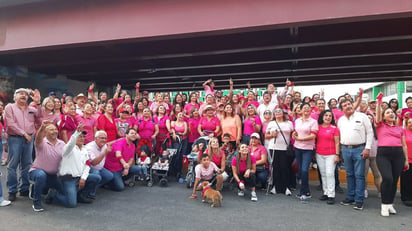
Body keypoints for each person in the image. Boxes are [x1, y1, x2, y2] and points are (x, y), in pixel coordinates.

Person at [4, 88, 42, 201]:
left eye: (25, 94)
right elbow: (10, 124)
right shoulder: (9, 107)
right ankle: (12, 190)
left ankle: (24, 188)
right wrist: (24, 134)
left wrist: (38, 102)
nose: (23, 95)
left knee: (27, 164)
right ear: (14, 97)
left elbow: (40, 116)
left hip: (29, 139)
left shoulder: (31, 109)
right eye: (20, 93)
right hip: (15, 138)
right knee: (12, 165)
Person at [51, 125, 101, 208]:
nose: (81, 138)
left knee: (96, 178)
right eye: (79, 136)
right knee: (71, 204)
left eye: (83, 137)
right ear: (74, 137)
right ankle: (54, 194)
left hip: (79, 177)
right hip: (68, 179)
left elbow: (87, 165)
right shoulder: (68, 149)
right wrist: (76, 133)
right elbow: (70, 144)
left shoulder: (84, 149)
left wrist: (83, 178)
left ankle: (80, 195)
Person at [375, 93, 408, 216]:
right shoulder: (380, 125)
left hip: (398, 154)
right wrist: (379, 102)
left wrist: (405, 160)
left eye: (392, 112)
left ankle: (390, 204)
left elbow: (404, 145)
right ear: (383, 117)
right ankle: (384, 205)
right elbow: (377, 117)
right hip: (383, 154)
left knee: (394, 181)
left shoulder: (400, 129)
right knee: (387, 178)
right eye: (387, 112)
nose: (391, 114)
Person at [338, 99, 373, 210]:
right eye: (345, 105)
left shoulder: (363, 116)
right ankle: (350, 197)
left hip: (360, 149)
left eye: (349, 104)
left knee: (359, 175)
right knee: (349, 174)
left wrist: (367, 148)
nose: (348, 106)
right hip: (345, 149)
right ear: (342, 108)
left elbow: (370, 132)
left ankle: (359, 200)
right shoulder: (340, 120)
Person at [28, 121, 65, 211]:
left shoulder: (62, 143)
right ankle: (36, 203)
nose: (54, 131)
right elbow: (37, 139)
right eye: (51, 130)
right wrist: (42, 127)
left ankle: (41, 189)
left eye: (55, 129)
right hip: (37, 171)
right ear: (45, 132)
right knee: (41, 175)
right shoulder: (41, 142)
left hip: (53, 175)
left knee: (62, 190)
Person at [292, 103, 318, 200]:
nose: (306, 109)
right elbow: (296, 131)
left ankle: (305, 191)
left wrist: (300, 139)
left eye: (308, 108)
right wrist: (294, 135)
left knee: (304, 170)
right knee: (300, 170)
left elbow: (313, 135)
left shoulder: (313, 121)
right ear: (301, 110)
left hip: (308, 148)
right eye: (304, 108)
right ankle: (304, 191)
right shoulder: (297, 120)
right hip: (297, 148)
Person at [266, 108, 294, 195]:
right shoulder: (271, 123)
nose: (277, 113)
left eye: (279, 111)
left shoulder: (289, 123)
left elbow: (293, 133)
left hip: (285, 148)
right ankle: (275, 186)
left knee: (284, 167)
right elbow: (266, 136)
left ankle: (285, 187)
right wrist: (272, 134)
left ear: (283, 113)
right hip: (274, 147)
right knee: (276, 167)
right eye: (276, 112)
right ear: (274, 114)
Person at [316, 110, 340, 205]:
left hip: (331, 154)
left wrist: (337, 155)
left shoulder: (335, 128)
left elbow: (337, 142)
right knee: (323, 174)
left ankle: (331, 195)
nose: (328, 117)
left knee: (330, 173)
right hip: (319, 154)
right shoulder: (317, 128)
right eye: (326, 115)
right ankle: (325, 192)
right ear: (322, 117)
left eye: (330, 116)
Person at [85, 130, 114, 198]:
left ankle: (92, 187)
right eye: (101, 138)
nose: (104, 140)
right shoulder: (89, 147)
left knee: (109, 176)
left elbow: (110, 143)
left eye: (105, 138)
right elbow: (94, 163)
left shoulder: (104, 145)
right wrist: (105, 153)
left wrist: (121, 139)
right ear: (95, 139)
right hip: (90, 168)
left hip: (100, 168)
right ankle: (90, 193)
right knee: (97, 175)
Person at [364, 113, 381, 199]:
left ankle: (380, 191)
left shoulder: (377, 130)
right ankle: (365, 190)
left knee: (377, 174)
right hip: (365, 156)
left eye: (371, 118)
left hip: (375, 156)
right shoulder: (362, 130)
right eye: (367, 118)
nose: (369, 120)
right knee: (364, 174)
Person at [401, 118, 412, 206]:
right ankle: (405, 197)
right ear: (406, 124)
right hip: (406, 160)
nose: (411, 124)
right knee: (406, 180)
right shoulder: (403, 131)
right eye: (409, 122)